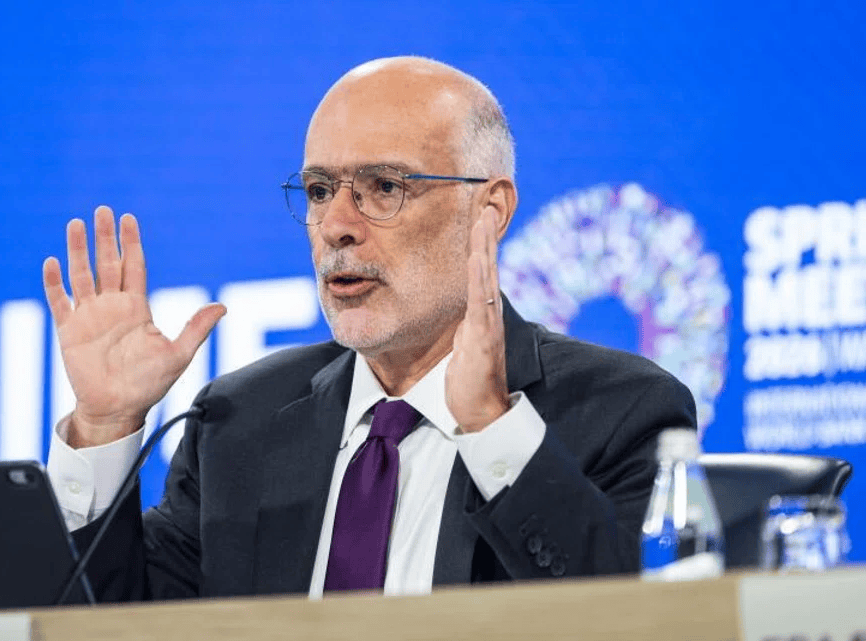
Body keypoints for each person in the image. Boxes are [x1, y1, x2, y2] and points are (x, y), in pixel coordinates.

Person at [42, 56, 696, 601]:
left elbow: (636, 619)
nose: (336, 225)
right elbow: (120, 626)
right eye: (319, 190)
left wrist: (493, 428)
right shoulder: (238, 423)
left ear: (489, 210)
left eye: (384, 186)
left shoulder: (620, 410)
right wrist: (104, 426)